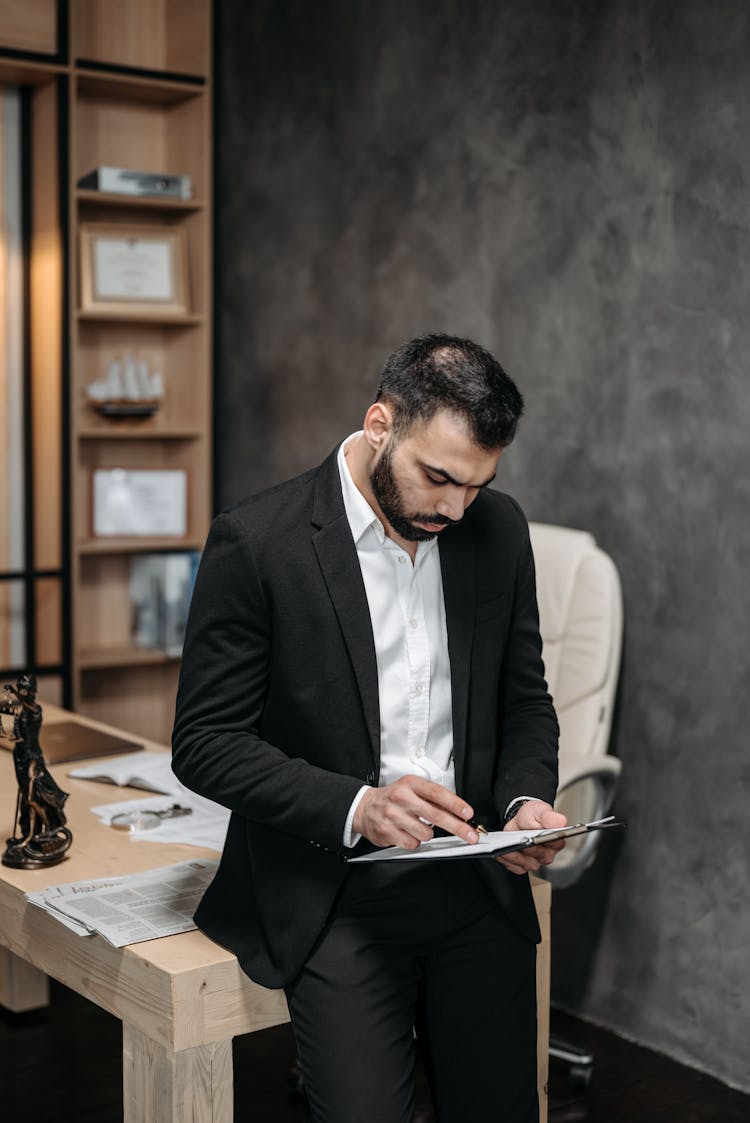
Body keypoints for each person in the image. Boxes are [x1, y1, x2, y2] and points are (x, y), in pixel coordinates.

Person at [172, 334, 567, 1122]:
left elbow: (523, 700)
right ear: (380, 423)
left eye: (478, 484)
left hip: (476, 878)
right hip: (337, 889)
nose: (456, 508)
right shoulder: (258, 543)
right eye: (440, 477)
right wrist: (359, 805)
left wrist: (526, 799)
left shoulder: (498, 529)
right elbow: (206, 741)